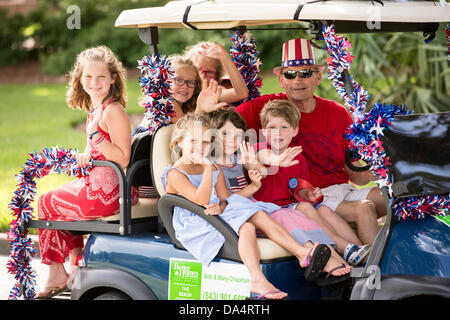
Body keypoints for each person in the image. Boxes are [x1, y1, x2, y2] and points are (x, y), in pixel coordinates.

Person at [162, 113, 351, 299]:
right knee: (249, 219)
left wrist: (221, 206)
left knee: (254, 219)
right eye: (194, 141)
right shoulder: (176, 174)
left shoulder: (212, 166)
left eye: (205, 142)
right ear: (178, 142)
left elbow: (225, 198)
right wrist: (206, 169)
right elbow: (200, 198)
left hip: (215, 213)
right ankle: (259, 277)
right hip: (196, 221)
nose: (200, 148)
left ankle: (299, 255)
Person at [231, 38, 385, 246]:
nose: (297, 81)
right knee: (364, 207)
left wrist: (383, 168)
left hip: (341, 189)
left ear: (318, 77)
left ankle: (404, 261)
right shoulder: (268, 108)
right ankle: (375, 273)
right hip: (310, 196)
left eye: (305, 73)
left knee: (392, 197)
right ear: (281, 79)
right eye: (290, 74)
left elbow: (356, 175)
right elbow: (223, 123)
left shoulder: (338, 113)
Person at [36, 46, 138, 299]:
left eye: (101, 77)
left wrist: (93, 135)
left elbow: (123, 158)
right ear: (80, 79)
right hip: (98, 185)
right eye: (88, 77)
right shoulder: (96, 107)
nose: (94, 83)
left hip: (108, 194)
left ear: (113, 78)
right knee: (56, 197)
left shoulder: (113, 110)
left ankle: (58, 272)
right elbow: (98, 147)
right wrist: (86, 153)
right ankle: (75, 264)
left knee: (46, 203)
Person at [251, 100, 370, 265]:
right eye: (272, 128)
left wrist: (308, 194)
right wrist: (278, 160)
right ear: (264, 131)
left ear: (294, 131)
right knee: (305, 208)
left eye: (284, 127)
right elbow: (263, 157)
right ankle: (344, 248)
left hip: (291, 205)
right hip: (271, 210)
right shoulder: (260, 148)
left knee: (324, 210)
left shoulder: (298, 157)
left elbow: (298, 188)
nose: (278, 132)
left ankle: (361, 252)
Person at [132, 55, 202, 136]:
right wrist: (201, 109)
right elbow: (190, 133)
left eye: (190, 82)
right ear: (164, 81)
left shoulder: (182, 107)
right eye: (179, 80)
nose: (185, 86)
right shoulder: (167, 102)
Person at [184, 41, 249, 106]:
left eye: (209, 72)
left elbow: (242, 94)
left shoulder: (213, 91)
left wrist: (224, 56)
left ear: (217, 75)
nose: (203, 77)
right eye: (198, 70)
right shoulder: (181, 87)